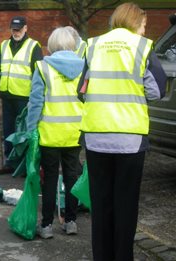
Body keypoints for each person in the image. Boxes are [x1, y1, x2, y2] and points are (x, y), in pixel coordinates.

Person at [80, 3, 166, 260]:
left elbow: (80, 90)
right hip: (129, 138)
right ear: (135, 23)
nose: (143, 30)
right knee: (125, 205)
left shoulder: (93, 46)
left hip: (96, 137)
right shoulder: (142, 47)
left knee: (101, 203)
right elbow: (156, 91)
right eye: (143, 25)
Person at [26, 27, 84, 239]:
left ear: (52, 45)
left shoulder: (43, 67)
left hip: (49, 133)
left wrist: (30, 129)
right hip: (75, 132)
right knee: (71, 177)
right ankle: (71, 222)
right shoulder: (85, 66)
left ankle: (47, 225)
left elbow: (35, 103)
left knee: (49, 179)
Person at [0, 16, 43, 175]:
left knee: (24, 133)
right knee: (8, 131)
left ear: (26, 28)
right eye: (14, 29)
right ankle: (10, 162)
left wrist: (34, 98)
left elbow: (38, 74)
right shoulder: (3, 45)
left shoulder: (34, 46)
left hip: (25, 99)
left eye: (19, 29)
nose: (16, 32)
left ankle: (25, 165)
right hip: (7, 96)